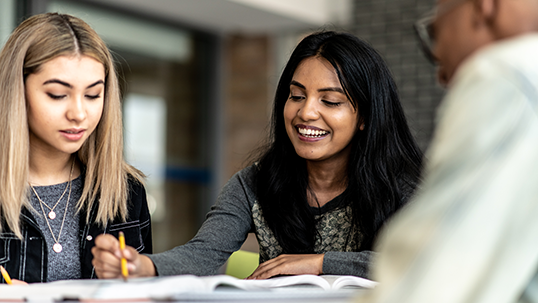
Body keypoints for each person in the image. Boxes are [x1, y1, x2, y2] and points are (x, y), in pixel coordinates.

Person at [92, 31, 423, 280]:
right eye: (296, 96)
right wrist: (142, 265)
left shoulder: (403, 184)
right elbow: (205, 251)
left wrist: (319, 262)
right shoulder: (255, 183)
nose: (306, 112)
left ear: (365, 116)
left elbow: (425, 258)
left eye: (330, 101)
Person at [358, 0, 538, 302]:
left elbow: (429, 271)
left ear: (484, 7)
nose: (441, 75)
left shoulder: (504, 76)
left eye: (435, 31)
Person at [0, 13, 152, 283]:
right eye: (58, 95)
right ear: (16, 91)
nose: (79, 113)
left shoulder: (126, 192)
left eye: (93, 95)